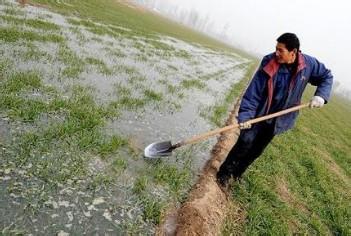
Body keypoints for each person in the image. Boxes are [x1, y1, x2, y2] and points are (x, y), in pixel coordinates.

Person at [216, 32, 333, 187]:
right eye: (276, 49)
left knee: (257, 149)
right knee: (245, 142)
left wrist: (321, 96)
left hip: (279, 117)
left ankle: (237, 174)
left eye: (281, 50)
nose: (276, 53)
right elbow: (254, 92)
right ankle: (224, 174)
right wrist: (245, 116)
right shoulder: (269, 62)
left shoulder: (308, 65)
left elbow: (326, 76)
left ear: (294, 52)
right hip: (259, 112)